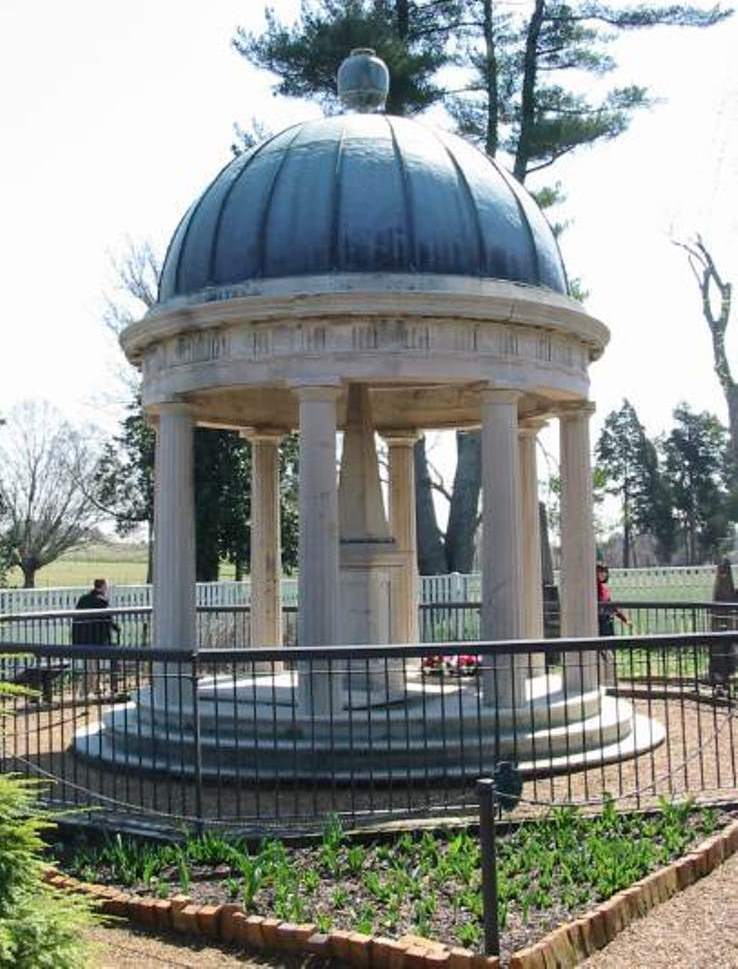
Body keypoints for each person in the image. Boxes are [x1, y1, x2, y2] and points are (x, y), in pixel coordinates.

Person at [72, 579, 119, 696]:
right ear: (103, 587)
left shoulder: (83, 599)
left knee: (91, 664)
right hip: (96, 638)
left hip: (82, 637)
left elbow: (76, 617)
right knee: (91, 666)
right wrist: (116, 628)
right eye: (106, 586)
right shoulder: (102, 601)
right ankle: (85, 691)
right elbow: (108, 620)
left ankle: (96, 687)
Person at [709, 558, 737, 686]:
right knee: (719, 649)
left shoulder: (732, 591)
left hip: (730, 625)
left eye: (725, 571)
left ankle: (728, 672)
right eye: (721, 571)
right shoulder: (718, 590)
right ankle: (718, 675)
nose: (723, 575)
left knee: (729, 648)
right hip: (719, 625)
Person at [596, 562, 630, 636]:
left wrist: (624, 619)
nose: (603, 574)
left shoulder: (604, 589)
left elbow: (612, 606)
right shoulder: (593, 588)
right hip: (598, 623)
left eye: (605, 571)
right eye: (600, 571)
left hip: (607, 622)